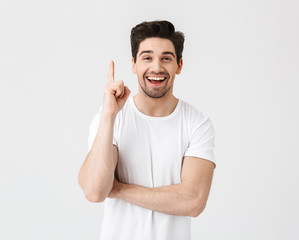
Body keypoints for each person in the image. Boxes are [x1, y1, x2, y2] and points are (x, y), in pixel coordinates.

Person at [78, 20, 216, 240]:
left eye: (166, 58)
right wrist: (108, 116)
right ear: (134, 64)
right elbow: (95, 191)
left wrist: (118, 189)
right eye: (147, 57)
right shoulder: (111, 118)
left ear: (179, 65)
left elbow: (193, 201)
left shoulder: (197, 123)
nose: (156, 67)